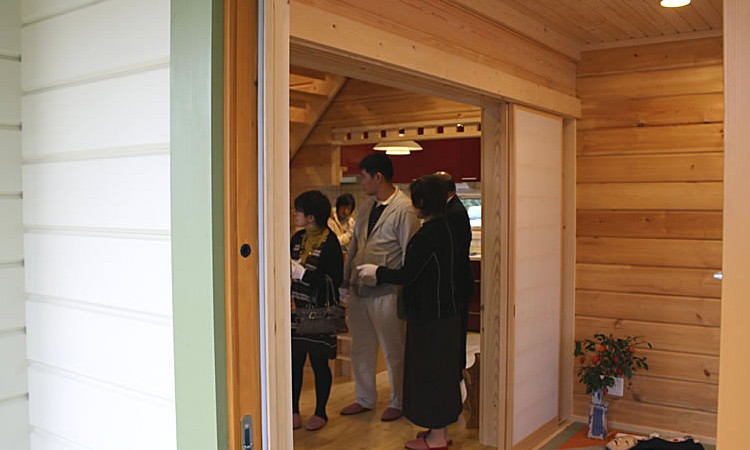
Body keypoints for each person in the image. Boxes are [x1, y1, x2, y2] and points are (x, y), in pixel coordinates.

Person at [356, 175, 463, 450]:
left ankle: (436, 438)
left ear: (422, 202)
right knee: (441, 371)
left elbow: (408, 273)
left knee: (431, 373)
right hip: (445, 312)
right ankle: (438, 431)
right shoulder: (447, 228)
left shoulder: (429, 234)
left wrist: (377, 272)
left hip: (431, 316)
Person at [339, 153, 420, 422]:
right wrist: (345, 281)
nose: (361, 182)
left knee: (393, 350)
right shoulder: (366, 207)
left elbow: (410, 254)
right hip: (360, 290)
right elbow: (354, 246)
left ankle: (399, 400)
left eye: (364, 177)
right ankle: (364, 398)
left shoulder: (404, 209)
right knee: (361, 348)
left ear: (378, 177)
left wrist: (406, 291)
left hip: (388, 292)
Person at [289, 190, 344, 432]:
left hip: (319, 313)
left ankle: (321, 411)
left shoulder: (330, 243)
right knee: (294, 362)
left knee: (319, 362)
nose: (295, 215)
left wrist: (303, 274)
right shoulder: (297, 238)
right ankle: (293, 410)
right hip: (294, 311)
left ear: (310, 217)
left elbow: (333, 280)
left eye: (298, 211)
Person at [434, 171, 475, 379]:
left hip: (456, 281)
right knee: (456, 330)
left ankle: (454, 372)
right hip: (459, 280)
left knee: (456, 330)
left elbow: (451, 251)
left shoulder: (453, 212)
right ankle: (454, 370)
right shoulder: (453, 208)